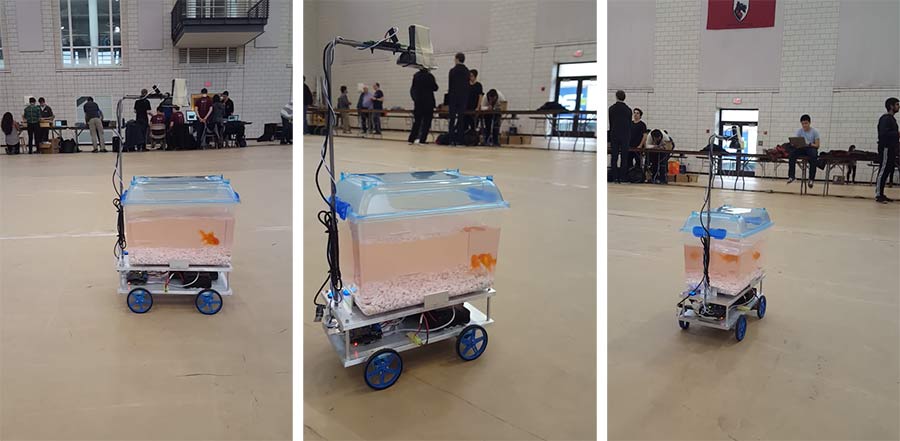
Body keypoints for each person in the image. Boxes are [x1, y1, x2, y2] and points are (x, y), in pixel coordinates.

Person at [875, 97, 899, 203]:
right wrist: (897, 134)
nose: (899, 106)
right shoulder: (885, 118)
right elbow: (883, 134)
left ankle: (881, 193)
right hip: (885, 148)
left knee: (888, 169)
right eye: (897, 104)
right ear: (891, 106)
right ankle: (878, 194)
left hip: (891, 148)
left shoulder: (892, 119)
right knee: (883, 169)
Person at [787, 114, 820, 188]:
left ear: (809, 123)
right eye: (803, 124)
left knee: (814, 155)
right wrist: (794, 144)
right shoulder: (799, 131)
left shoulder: (815, 132)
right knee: (792, 154)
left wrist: (809, 144)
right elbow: (797, 142)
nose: (804, 125)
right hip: (801, 148)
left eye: (806, 123)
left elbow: (817, 145)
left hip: (810, 147)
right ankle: (791, 176)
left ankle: (811, 179)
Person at [409, 68, 438, 145]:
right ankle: (422, 140)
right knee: (427, 122)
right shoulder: (430, 76)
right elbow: (435, 88)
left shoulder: (416, 76)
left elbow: (413, 89)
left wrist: (415, 99)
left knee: (417, 122)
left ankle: (411, 139)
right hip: (428, 102)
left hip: (418, 102)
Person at [608, 90, 632, 183]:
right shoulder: (628, 110)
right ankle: (622, 177)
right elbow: (629, 125)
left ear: (616, 97)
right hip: (625, 135)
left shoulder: (611, 109)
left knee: (614, 157)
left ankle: (615, 177)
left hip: (614, 134)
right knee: (624, 157)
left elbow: (611, 123)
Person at [448, 52, 470, 145]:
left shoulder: (452, 71)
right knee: (461, 119)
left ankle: (451, 139)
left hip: (453, 97)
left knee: (452, 119)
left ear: (457, 59)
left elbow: (450, 85)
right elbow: (467, 86)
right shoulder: (467, 71)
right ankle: (460, 140)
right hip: (463, 97)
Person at [466, 69, 484, 134]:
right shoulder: (467, 85)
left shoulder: (478, 85)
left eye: (471, 76)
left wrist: (478, 107)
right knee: (465, 123)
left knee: (474, 124)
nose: (470, 77)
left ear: (475, 76)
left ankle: (473, 136)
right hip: (467, 107)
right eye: (469, 76)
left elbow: (480, 96)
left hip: (474, 107)